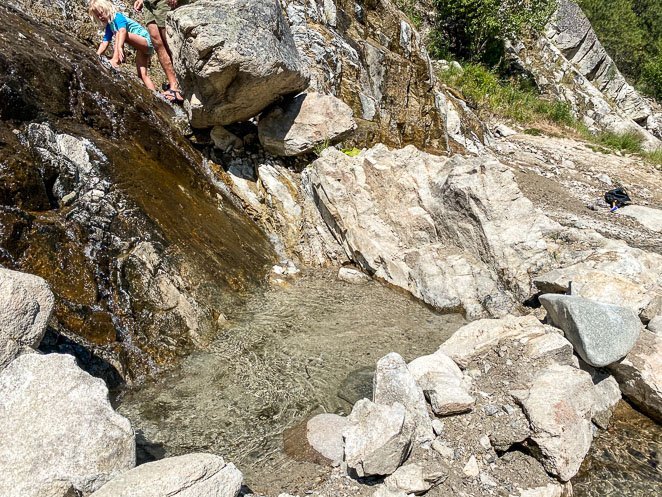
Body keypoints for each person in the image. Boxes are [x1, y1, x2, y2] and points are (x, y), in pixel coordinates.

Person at [89, 0, 157, 92]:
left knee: (119, 33)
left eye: (101, 13)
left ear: (107, 8)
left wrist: (120, 47)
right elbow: (105, 42)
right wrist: (97, 55)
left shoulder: (118, 17)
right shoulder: (109, 26)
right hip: (141, 48)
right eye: (98, 16)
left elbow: (122, 31)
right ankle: (155, 95)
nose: (100, 17)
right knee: (142, 75)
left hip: (146, 41)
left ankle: (116, 60)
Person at [133, 0, 185, 103]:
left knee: (170, 38)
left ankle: (183, 85)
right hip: (148, 3)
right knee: (157, 41)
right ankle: (173, 85)